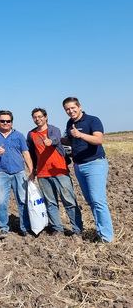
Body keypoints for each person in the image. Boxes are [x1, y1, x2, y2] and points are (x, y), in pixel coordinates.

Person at [62, 97, 113, 242]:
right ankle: (100, 231)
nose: (70, 111)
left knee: (98, 200)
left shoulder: (92, 120)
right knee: (91, 201)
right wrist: (56, 139)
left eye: (73, 108)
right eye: (67, 109)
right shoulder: (70, 123)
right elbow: (72, 141)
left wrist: (81, 135)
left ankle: (107, 237)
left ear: (79, 106)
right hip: (78, 166)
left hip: (95, 163)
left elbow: (98, 140)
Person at [26, 108, 83, 236]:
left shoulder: (53, 129)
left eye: (40, 116)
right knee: (51, 203)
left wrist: (50, 141)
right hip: (42, 173)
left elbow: (56, 138)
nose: (38, 119)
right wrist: (32, 171)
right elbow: (31, 153)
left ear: (46, 117)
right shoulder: (31, 134)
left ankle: (77, 230)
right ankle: (58, 228)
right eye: (35, 117)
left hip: (59, 171)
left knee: (69, 201)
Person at [0, 110, 34, 239]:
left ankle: (25, 228)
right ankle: (3, 228)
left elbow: (26, 154)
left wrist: (32, 172)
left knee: (22, 201)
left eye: (8, 121)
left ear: (12, 122)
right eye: (2, 121)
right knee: (1, 202)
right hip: (2, 173)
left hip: (19, 172)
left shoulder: (19, 135)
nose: (5, 123)